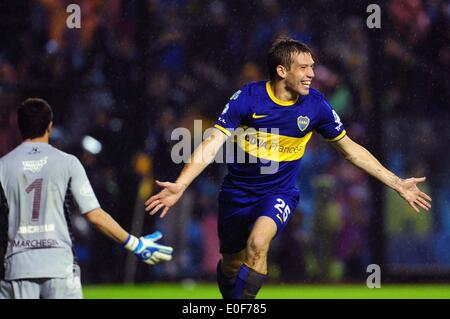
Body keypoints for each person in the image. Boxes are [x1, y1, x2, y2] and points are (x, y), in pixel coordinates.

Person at [145, 38, 432, 299]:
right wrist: (181, 184)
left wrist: (396, 182)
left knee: (258, 244)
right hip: (236, 194)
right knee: (232, 264)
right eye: (304, 68)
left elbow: (351, 150)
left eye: (313, 67)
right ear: (282, 71)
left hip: (279, 193)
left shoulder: (316, 106)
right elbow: (212, 144)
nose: (311, 74)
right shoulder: (247, 99)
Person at [0, 98, 173, 299]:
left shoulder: (3, 166)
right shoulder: (68, 163)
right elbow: (95, 215)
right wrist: (136, 244)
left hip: (18, 266)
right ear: (50, 125)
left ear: (19, 126)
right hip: (59, 265)